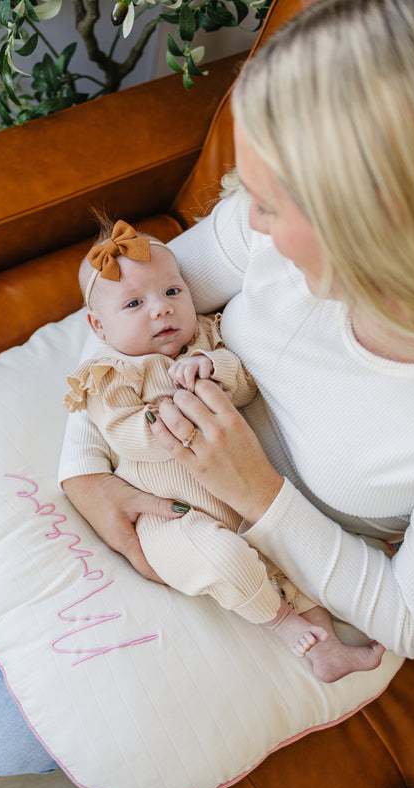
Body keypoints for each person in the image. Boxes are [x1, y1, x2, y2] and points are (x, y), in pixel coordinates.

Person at [0, 0, 414, 788]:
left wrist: (258, 492)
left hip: (274, 558)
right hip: (147, 455)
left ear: (364, 224)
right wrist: (86, 473)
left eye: (269, 203)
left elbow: (410, 620)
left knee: (4, 735)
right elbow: (127, 308)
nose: (246, 219)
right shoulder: (262, 235)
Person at [64, 216, 384, 680]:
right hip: (173, 517)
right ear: (98, 326)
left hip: (242, 495)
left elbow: (246, 386)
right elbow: (122, 434)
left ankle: (328, 649)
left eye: (172, 291)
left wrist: (212, 369)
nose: (161, 309)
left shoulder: (204, 341)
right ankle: (280, 622)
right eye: (134, 303)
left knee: (292, 557)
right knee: (225, 560)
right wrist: (171, 414)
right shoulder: (110, 373)